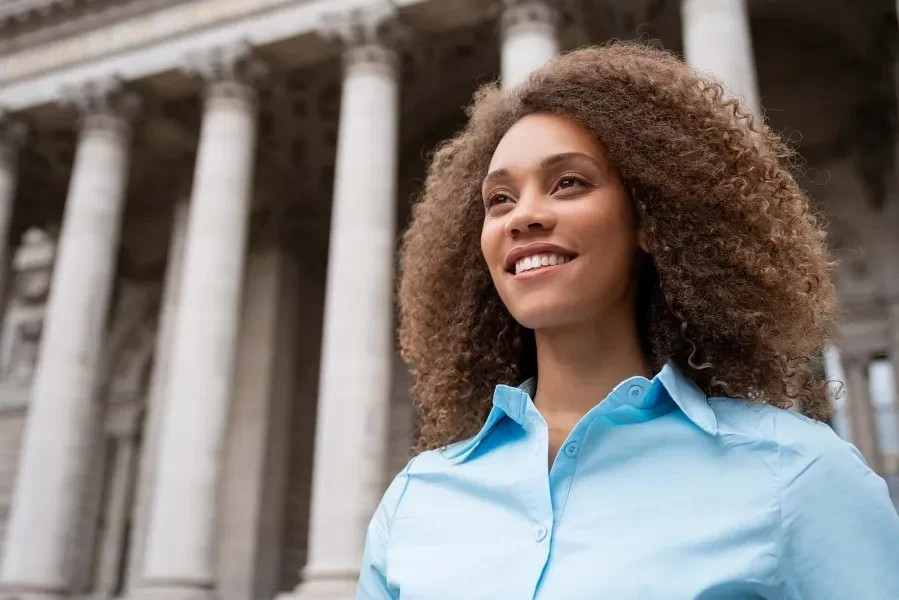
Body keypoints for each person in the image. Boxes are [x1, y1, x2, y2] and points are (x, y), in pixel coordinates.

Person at [356, 43, 899, 599]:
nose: (524, 216)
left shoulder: (797, 474)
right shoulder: (416, 501)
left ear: (650, 217)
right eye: (499, 199)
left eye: (569, 182)